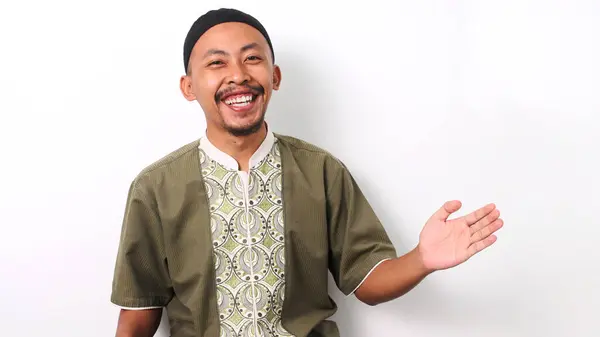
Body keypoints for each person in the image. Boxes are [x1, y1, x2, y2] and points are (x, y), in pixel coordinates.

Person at [110, 8, 503, 337]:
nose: (238, 75)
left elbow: (367, 281)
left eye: (252, 58)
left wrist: (422, 259)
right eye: (216, 63)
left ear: (274, 77)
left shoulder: (321, 172)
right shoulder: (155, 188)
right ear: (188, 86)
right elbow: (139, 313)